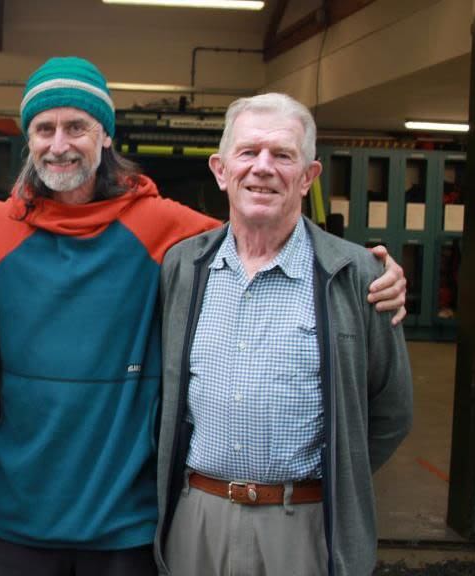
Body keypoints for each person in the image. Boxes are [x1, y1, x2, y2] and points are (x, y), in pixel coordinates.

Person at [0, 57, 407, 575]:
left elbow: (259, 226)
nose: (59, 144)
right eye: (44, 128)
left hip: (126, 522)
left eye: (77, 126)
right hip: (20, 515)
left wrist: (372, 273)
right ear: (27, 140)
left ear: (105, 137)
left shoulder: (166, 229)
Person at [154, 93, 413, 576]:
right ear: (221, 169)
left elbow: (392, 411)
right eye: (249, 152)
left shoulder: (357, 274)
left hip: (304, 525)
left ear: (308, 175)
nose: (263, 168)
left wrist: (339, 477)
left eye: (283, 155)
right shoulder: (183, 267)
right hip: (197, 517)